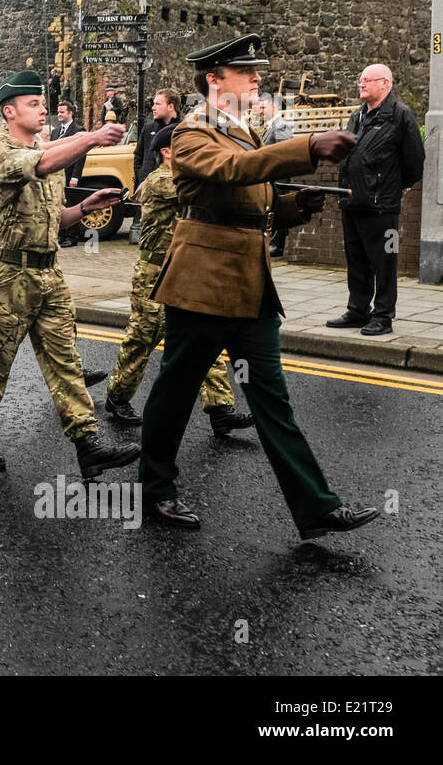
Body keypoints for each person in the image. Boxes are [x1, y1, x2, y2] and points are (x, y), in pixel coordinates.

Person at [140, 34, 380, 539]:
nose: (256, 78)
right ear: (213, 79)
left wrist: (293, 208)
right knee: (176, 391)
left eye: (257, 71)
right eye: (244, 71)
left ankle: (315, 507)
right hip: (202, 285)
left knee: (273, 399)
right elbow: (232, 172)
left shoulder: (242, 131)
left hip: (251, 288)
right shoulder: (191, 133)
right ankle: (155, 487)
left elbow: (253, 198)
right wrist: (309, 146)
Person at [0, 71, 135, 478]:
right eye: (33, 104)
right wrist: (91, 137)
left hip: (48, 274)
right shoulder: (0, 148)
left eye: (43, 103)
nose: (43, 110)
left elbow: (55, 217)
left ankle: (87, 442)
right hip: (9, 274)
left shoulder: (41, 149)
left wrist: (87, 208)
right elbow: (40, 162)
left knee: (66, 362)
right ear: (10, 112)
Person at [103, 125, 253, 436]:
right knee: (142, 338)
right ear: (167, 153)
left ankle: (220, 409)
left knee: (203, 338)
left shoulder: (183, 177)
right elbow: (204, 193)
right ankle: (117, 397)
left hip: (186, 272)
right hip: (154, 274)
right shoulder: (162, 181)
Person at [326, 64, 424, 336]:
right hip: (352, 200)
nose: (361, 84)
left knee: (384, 261)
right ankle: (358, 311)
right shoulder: (357, 116)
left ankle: (383, 316)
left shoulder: (400, 115)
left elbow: (415, 159)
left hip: (383, 205)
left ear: (385, 84)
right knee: (356, 259)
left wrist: (399, 186)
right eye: (360, 80)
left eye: (367, 80)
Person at [253, 96, 297, 258]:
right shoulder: (271, 127)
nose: (260, 111)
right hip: (271, 178)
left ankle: (277, 245)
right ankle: (273, 243)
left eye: (263, 108)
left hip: (279, 179)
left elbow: (284, 153)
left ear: (274, 107)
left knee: (277, 211)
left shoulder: (281, 126)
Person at [49, 101, 87, 247]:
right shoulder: (55, 132)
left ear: (70, 113)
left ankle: (72, 237)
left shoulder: (78, 130)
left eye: (62, 112)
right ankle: (61, 234)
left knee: (71, 205)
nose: (59, 114)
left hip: (70, 174)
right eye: (58, 112)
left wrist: (75, 177)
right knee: (58, 205)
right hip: (57, 176)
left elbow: (81, 155)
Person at [133, 89, 181, 186]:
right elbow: (138, 156)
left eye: (157, 104)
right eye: (153, 104)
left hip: (172, 191)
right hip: (146, 189)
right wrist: (140, 176)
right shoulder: (148, 128)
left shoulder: (184, 130)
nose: (153, 108)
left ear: (170, 107)